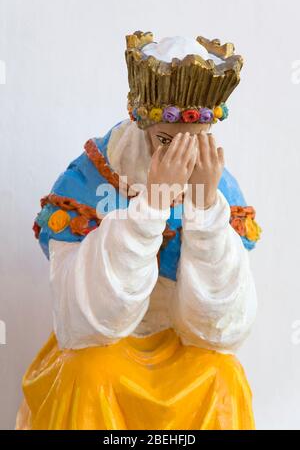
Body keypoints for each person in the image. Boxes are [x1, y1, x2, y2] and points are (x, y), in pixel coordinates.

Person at [16, 31, 261, 430]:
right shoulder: (89, 179)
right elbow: (81, 325)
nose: (180, 157)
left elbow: (220, 332)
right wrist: (151, 206)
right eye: (166, 140)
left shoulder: (219, 188)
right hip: (106, 344)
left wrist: (204, 210)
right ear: (143, 121)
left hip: (180, 344)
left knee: (224, 376)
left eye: (193, 142)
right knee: (90, 373)